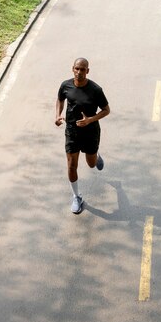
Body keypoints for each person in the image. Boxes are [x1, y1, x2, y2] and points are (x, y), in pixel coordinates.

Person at [55, 58, 110, 214]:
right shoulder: (65, 85)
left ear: (88, 71)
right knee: (72, 165)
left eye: (83, 69)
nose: (79, 72)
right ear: (73, 68)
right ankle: (77, 197)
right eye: (77, 69)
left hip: (90, 131)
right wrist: (58, 115)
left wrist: (90, 120)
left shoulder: (96, 90)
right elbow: (60, 99)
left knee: (91, 164)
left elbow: (106, 110)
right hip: (72, 131)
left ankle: (96, 156)